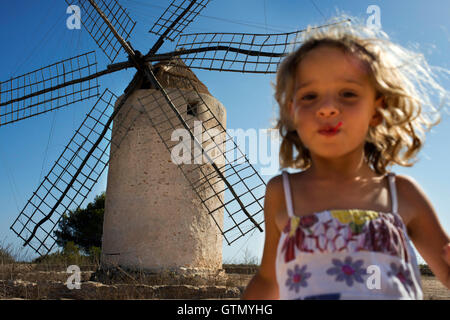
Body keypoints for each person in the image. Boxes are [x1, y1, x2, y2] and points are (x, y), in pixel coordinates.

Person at [242, 17, 450, 300]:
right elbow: (268, 279)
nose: (327, 108)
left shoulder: (402, 193)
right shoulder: (282, 193)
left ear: (376, 109)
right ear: (292, 112)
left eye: (348, 94)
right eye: (310, 95)